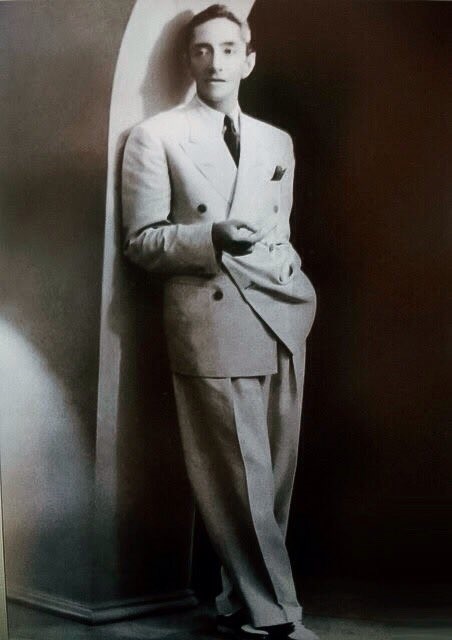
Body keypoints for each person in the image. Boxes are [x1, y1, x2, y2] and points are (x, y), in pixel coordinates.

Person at [121, 5, 317, 639]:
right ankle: (277, 616)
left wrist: (294, 278)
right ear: (188, 61)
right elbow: (142, 241)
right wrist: (212, 237)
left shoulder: (276, 141)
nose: (215, 62)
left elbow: (281, 228)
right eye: (202, 50)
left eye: (229, 49)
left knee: (274, 477)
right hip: (211, 317)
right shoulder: (156, 136)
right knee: (240, 477)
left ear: (248, 61)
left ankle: (239, 599)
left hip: (281, 315)